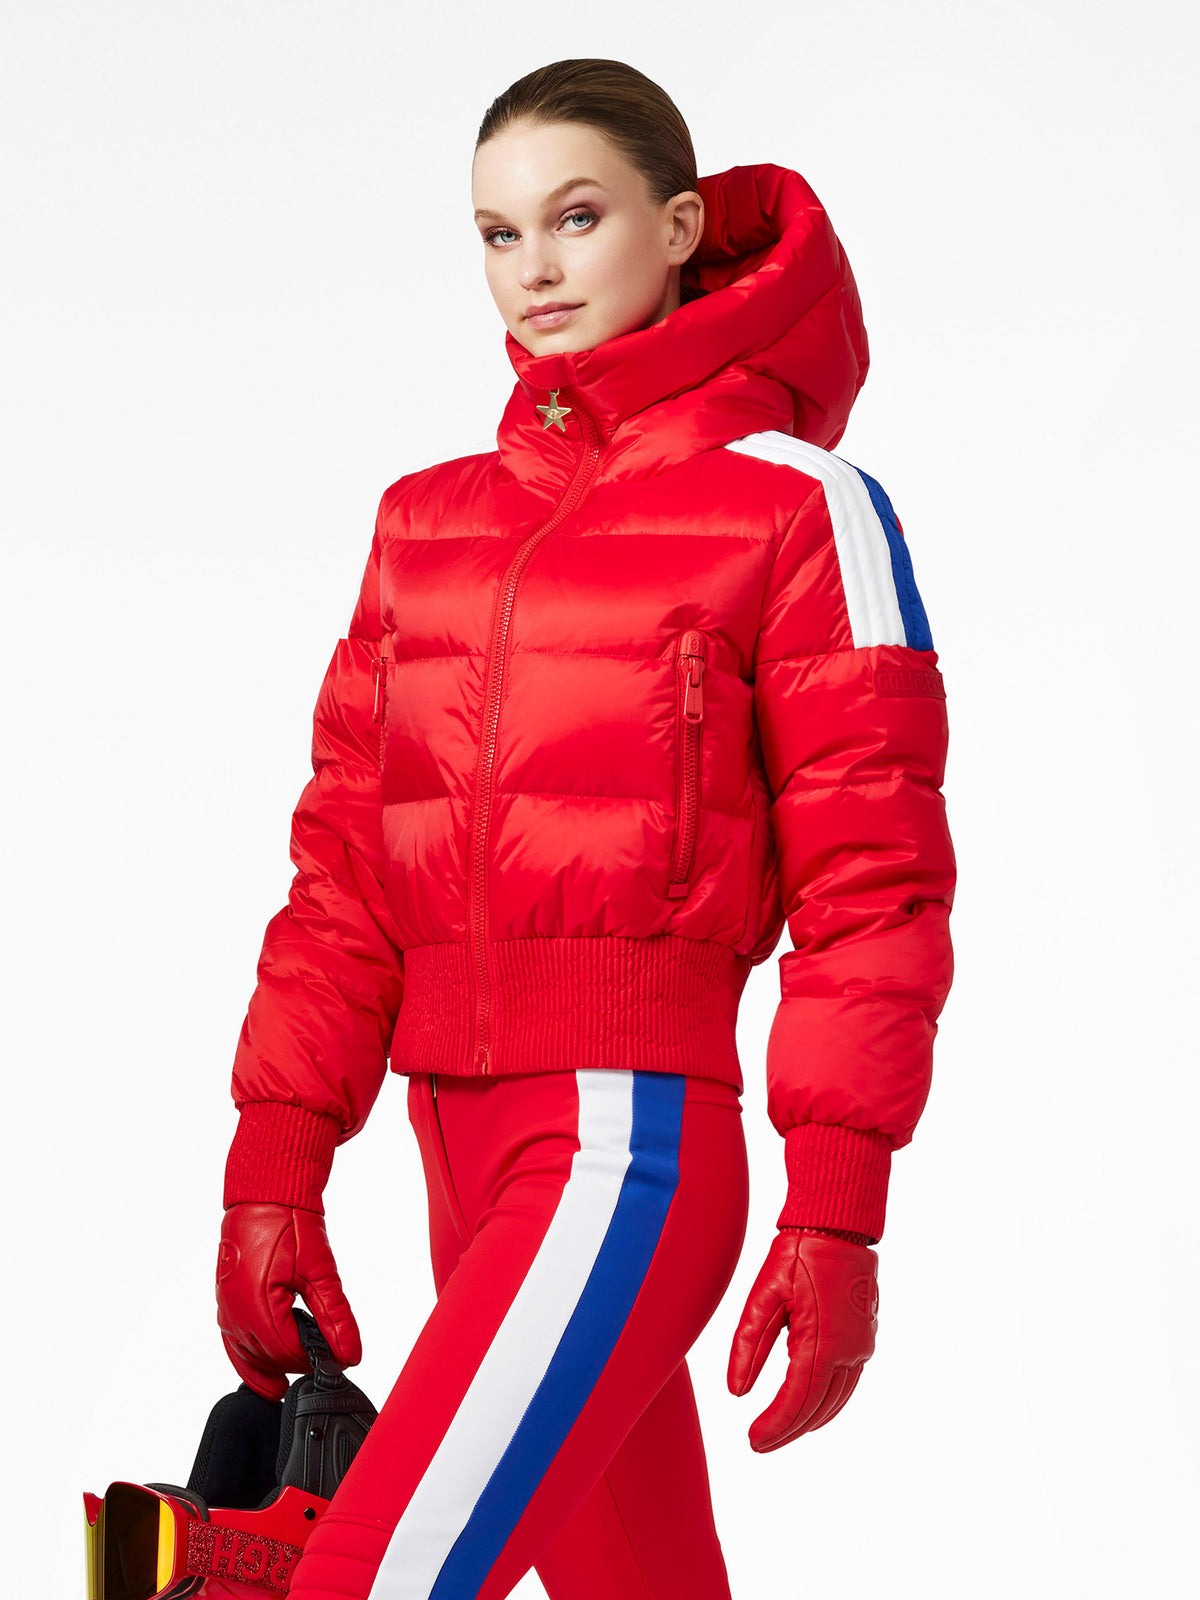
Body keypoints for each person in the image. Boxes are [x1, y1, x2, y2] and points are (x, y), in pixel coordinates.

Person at [213, 57, 956, 1600]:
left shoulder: (798, 507)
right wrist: (277, 1153)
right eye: (499, 235)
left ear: (678, 227)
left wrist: (838, 1204)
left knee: (369, 1577)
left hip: (623, 1148)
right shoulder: (425, 522)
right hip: (452, 1144)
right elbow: (343, 870)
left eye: (576, 218)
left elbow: (875, 884)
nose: (534, 270)